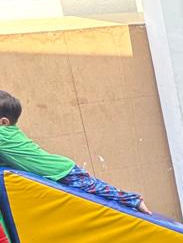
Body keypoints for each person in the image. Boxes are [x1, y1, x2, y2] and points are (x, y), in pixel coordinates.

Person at [0, 90, 150, 213]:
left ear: (4, 122)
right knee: (96, 186)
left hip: (61, 171)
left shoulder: (4, 135)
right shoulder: (8, 135)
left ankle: (133, 200)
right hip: (59, 169)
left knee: (97, 189)